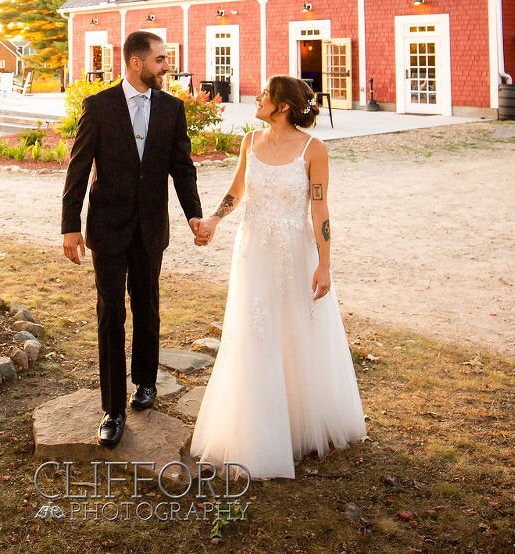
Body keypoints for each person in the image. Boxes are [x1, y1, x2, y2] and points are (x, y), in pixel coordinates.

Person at [188, 75, 367, 480]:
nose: (257, 97)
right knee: (255, 333)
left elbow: (319, 210)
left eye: (265, 94)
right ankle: (256, 427)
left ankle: (300, 421)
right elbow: (237, 190)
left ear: (283, 106)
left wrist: (325, 263)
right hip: (253, 251)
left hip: (295, 252)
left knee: (296, 333)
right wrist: (215, 219)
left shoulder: (313, 149)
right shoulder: (250, 141)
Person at [60, 31, 203, 448]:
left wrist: (193, 213)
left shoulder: (172, 109)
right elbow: (78, 167)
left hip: (150, 229)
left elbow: (183, 167)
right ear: (137, 63)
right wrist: (70, 225)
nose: (167, 66)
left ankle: (144, 382)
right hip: (107, 228)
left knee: (147, 308)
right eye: (160, 60)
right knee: (110, 315)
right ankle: (112, 409)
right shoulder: (99, 106)